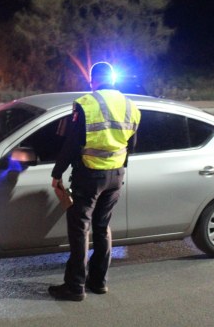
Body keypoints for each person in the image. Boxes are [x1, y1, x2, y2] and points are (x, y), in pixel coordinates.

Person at [48, 61, 141, 301]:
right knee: (102, 226)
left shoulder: (86, 104)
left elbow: (71, 144)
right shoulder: (130, 105)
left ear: (92, 81)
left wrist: (57, 173)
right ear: (113, 80)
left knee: (80, 228)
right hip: (116, 175)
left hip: (89, 175)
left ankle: (75, 286)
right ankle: (99, 282)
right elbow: (132, 144)